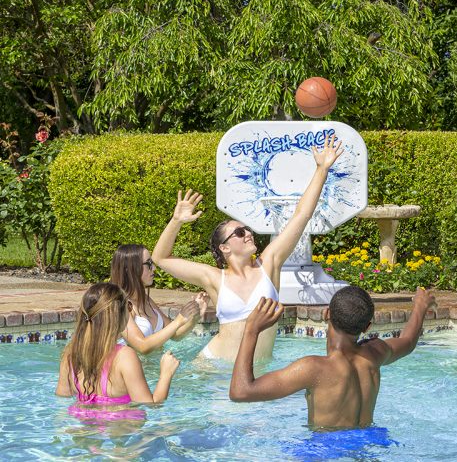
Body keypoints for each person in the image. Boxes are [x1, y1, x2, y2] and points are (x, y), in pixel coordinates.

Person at [152, 135, 344, 361]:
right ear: (224, 248)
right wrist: (176, 221)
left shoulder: (269, 264)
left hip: (257, 371)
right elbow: (161, 258)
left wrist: (321, 169)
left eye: (248, 229)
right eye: (239, 233)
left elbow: (301, 215)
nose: (248, 234)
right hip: (214, 368)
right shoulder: (214, 278)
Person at [229, 286, 436, 430]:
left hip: (328, 449)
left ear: (327, 314)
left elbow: (241, 392)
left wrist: (251, 330)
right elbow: (408, 342)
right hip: (370, 442)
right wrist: (420, 306)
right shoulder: (376, 353)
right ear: (367, 327)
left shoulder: (314, 369)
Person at [56, 282, 180, 404]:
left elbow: (62, 398)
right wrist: (166, 373)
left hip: (84, 423)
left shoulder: (70, 353)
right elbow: (150, 404)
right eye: (129, 306)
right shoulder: (125, 356)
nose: (131, 312)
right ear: (118, 316)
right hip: (122, 424)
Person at [110, 244, 209, 354]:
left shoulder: (146, 300)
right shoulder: (119, 305)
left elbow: (175, 335)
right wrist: (179, 320)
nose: (154, 268)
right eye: (149, 264)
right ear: (130, 269)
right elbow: (142, 346)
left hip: (155, 369)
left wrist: (195, 317)